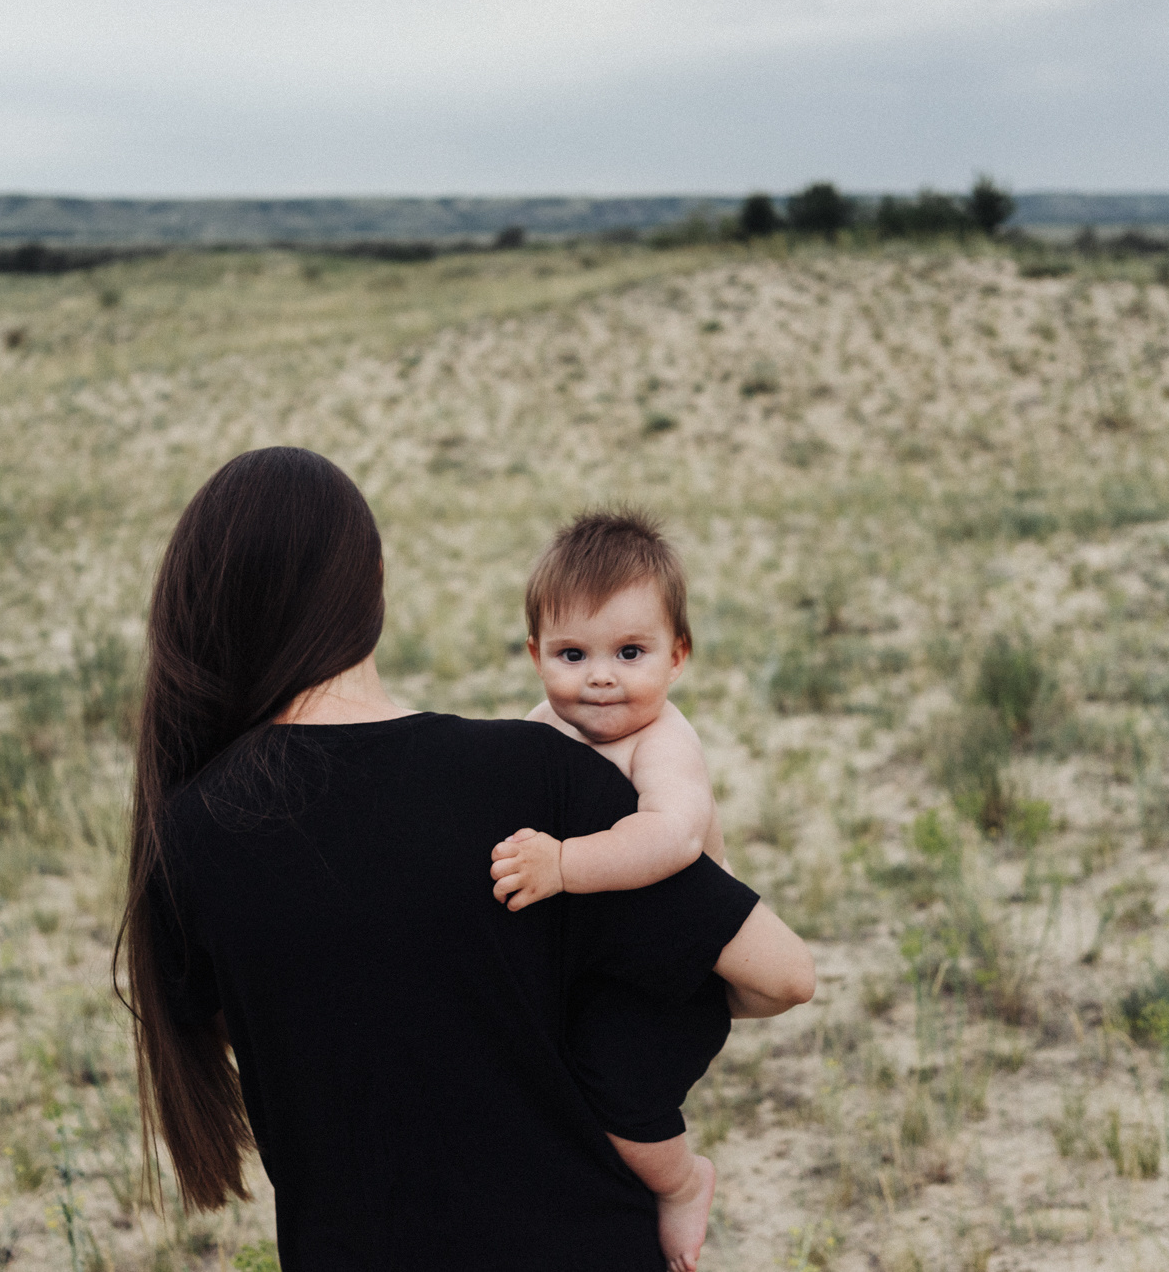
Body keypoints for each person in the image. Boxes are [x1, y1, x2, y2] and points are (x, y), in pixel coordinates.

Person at [120, 447, 814, 1271]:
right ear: (373, 582)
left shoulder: (190, 832)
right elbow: (782, 974)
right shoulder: (534, 776)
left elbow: (291, 1034)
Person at [489, 508, 735, 1270]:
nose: (600, 675)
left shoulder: (662, 741)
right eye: (572, 652)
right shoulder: (544, 728)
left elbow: (673, 836)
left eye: (630, 651)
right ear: (535, 655)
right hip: (608, 960)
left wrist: (562, 865)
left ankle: (683, 1180)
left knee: (617, 1093)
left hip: (673, 977)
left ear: (677, 656)